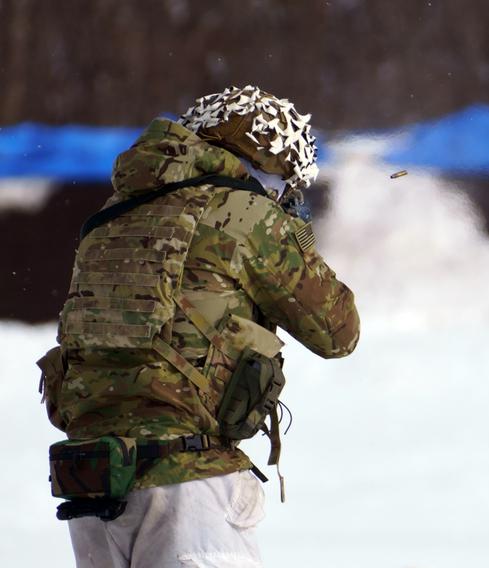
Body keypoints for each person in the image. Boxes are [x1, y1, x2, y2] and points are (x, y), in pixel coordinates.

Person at [37, 85, 359, 567]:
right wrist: (294, 232)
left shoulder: (111, 217)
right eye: (283, 182)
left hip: (94, 476)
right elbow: (339, 330)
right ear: (260, 163)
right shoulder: (244, 213)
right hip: (187, 479)